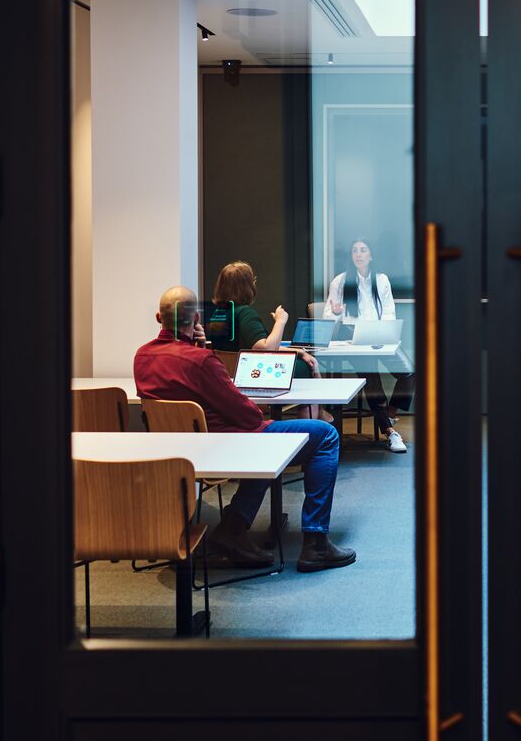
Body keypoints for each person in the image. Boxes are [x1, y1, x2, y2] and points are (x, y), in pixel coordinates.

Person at [134, 286, 356, 572]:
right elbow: (248, 416)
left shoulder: (142, 356)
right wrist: (203, 355)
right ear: (197, 318)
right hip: (225, 446)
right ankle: (315, 542)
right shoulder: (202, 361)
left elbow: (186, 384)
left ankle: (233, 529)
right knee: (324, 435)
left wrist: (199, 349)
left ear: (157, 318)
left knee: (262, 442)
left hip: (180, 451)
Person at [323, 238, 415, 453]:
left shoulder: (381, 280)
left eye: (363, 250)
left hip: (380, 338)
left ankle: (390, 415)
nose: (359, 254)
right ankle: (390, 433)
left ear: (371, 255)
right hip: (352, 340)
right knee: (373, 381)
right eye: (355, 250)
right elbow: (328, 315)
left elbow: (390, 313)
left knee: (409, 373)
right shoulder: (340, 281)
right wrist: (335, 313)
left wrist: (383, 335)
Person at [206, 260, 327, 419]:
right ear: (246, 286)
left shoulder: (218, 313)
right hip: (255, 376)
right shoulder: (244, 313)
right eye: (253, 280)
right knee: (307, 366)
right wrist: (280, 321)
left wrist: (297, 351)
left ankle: (322, 414)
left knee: (302, 359)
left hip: (230, 377)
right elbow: (265, 349)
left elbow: (249, 348)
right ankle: (315, 426)